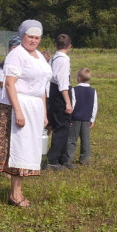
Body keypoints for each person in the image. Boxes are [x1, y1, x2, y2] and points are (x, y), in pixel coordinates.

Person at [0, 20, 51, 207]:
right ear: (22, 36)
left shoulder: (39, 56)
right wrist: (18, 111)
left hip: (35, 106)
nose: (34, 40)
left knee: (29, 149)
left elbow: (42, 88)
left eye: (37, 37)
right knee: (19, 149)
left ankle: (17, 191)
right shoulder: (17, 55)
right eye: (30, 36)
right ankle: (15, 194)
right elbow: (10, 84)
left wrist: (44, 113)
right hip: (19, 105)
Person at [45, 34, 73, 169]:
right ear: (69, 47)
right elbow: (63, 84)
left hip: (53, 92)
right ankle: (52, 160)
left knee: (63, 126)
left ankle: (63, 158)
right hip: (61, 94)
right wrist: (67, 102)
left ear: (56, 45)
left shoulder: (53, 58)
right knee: (61, 127)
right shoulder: (63, 60)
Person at [66, 67, 98, 166]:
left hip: (75, 118)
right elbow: (94, 106)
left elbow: (73, 104)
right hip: (86, 119)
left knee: (72, 139)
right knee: (86, 140)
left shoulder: (74, 90)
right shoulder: (93, 91)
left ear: (79, 78)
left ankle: (68, 159)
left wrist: (70, 117)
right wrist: (92, 119)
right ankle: (85, 159)